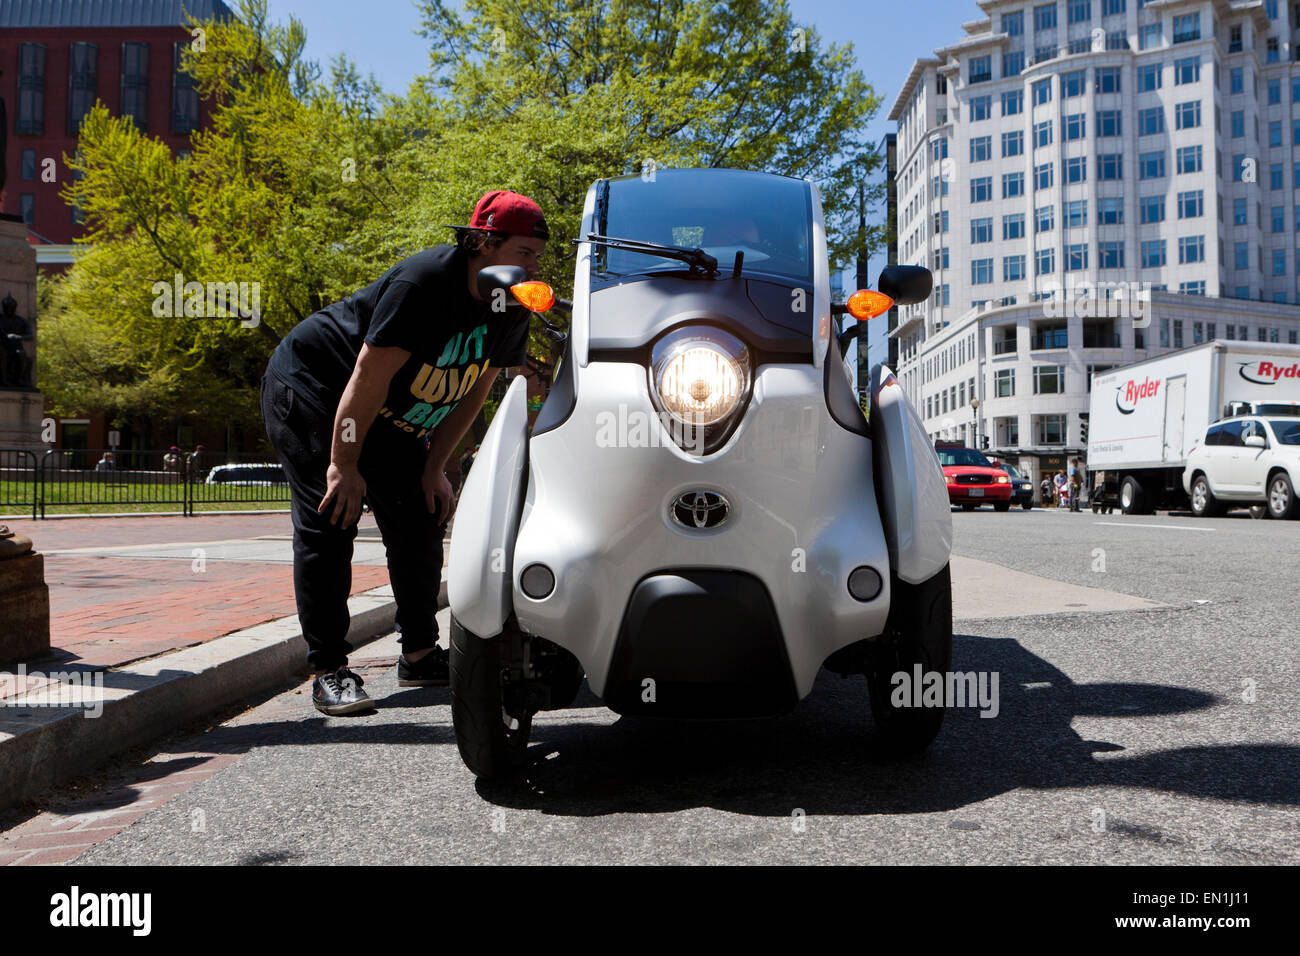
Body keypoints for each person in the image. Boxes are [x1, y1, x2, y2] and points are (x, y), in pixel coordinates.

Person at [261, 189, 548, 715]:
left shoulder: (513, 301)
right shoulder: (425, 283)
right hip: (318, 390)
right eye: (524, 253)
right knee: (332, 520)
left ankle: (418, 654)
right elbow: (367, 377)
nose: (532, 266)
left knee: (421, 516)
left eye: (537, 256)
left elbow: (475, 390)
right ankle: (329, 670)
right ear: (484, 242)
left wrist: (435, 467)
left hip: (391, 417)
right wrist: (344, 465)